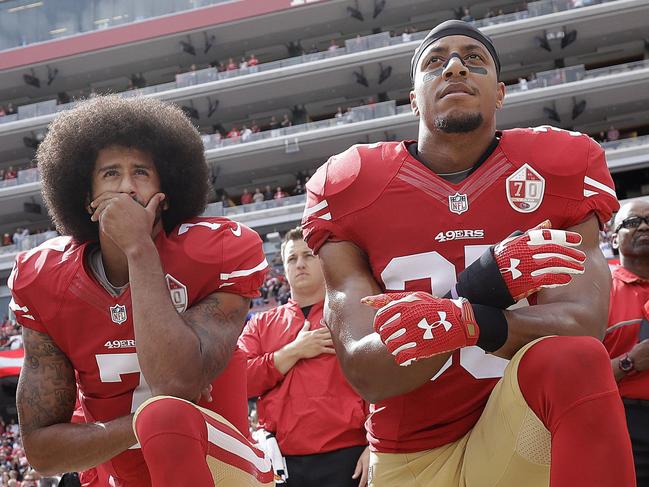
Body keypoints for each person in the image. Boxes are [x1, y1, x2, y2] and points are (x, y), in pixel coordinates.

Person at [301, 20, 634, 486]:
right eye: (435, 62)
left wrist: (470, 323)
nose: (455, 66)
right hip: (411, 454)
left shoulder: (558, 167)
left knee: (573, 360)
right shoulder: (353, 183)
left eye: (473, 59)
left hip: (519, 431)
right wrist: (482, 286)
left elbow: (584, 325)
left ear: (499, 93)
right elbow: (366, 369)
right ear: (414, 98)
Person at [9, 96, 273, 486]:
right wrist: (136, 427)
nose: (127, 188)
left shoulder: (217, 251)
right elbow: (43, 451)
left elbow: (175, 385)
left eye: (142, 173)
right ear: (86, 197)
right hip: (116, 476)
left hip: (220, 467)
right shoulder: (45, 278)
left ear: (165, 193)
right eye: (111, 174)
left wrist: (139, 250)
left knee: (168, 414)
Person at [239, 228, 369, 487]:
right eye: (291, 258)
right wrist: (293, 352)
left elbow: (379, 379)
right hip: (285, 460)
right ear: (284, 269)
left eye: (308, 256)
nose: (299, 264)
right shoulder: (261, 324)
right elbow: (239, 381)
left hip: (349, 455)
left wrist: (374, 444)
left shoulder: (352, 313)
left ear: (322, 261)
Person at [605, 200, 649, 486]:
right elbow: (577, 379)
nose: (644, 226)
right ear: (613, 239)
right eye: (632, 222)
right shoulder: (598, 292)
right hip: (627, 425)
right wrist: (629, 362)